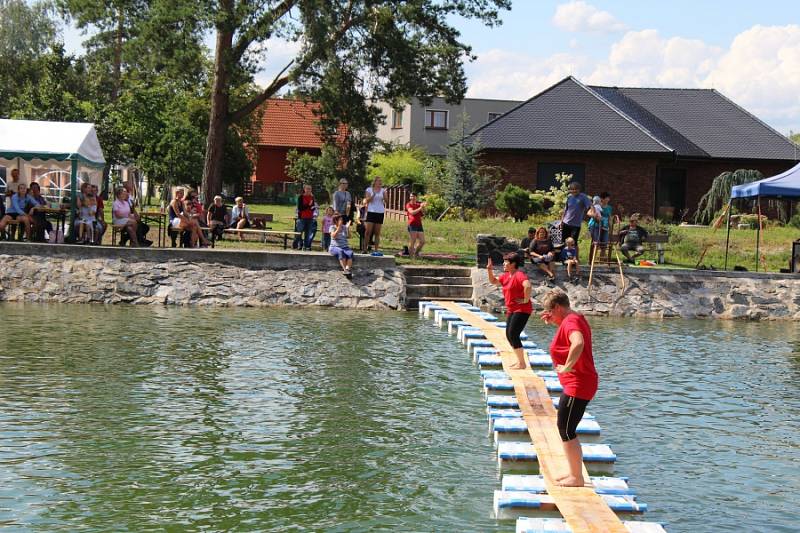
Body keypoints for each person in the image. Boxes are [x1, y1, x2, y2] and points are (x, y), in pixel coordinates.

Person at [540, 290, 598, 488]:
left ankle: (577, 477)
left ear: (557, 307)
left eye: (550, 311)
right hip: (578, 383)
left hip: (578, 384)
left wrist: (567, 366)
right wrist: (554, 322)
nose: (548, 315)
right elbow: (568, 337)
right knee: (565, 429)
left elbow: (578, 342)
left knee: (566, 429)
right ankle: (573, 473)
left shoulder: (571, 322)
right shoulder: (572, 318)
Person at [486, 253, 532, 370]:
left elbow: (527, 286)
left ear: (513, 264)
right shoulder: (506, 276)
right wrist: (489, 270)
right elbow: (493, 281)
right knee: (509, 335)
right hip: (512, 309)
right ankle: (519, 361)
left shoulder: (519, 275)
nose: (503, 264)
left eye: (506, 262)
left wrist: (525, 299)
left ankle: (522, 363)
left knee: (513, 334)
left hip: (522, 309)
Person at [560, 181, 594, 255]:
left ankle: (576, 258)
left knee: (573, 243)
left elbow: (590, 206)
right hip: (566, 222)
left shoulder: (583, 197)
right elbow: (565, 210)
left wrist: (594, 213)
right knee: (565, 241)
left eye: (576, 189)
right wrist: (561, 221)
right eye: (572, 189)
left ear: (579, 189)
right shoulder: (569, 197)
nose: (574, 191)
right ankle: (565, 257)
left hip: (576, 225)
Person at [363, 177, 385, 253]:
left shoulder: (383, 190)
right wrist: (373, 195)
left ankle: (376, 250)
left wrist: (385, 197)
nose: (380, 183)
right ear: (375, 182)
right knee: (368, 232)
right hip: (371, 212)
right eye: (379, 181)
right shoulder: (369, 189)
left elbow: (387, 201)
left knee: (377, 233)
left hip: (380, 212)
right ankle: (365, 249)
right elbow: (367, 201)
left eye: (381, 181)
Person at [329, 213, 354, 278]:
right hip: (334, 247)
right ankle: (345, 270)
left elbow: (349, 236)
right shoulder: (332, 227)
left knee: (350, 253)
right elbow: (333, 236)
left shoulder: (344, 227)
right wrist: (339, 228)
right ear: (336, 221)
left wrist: (347, 228)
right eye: (340, 220)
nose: (342, 221)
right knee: (340, 251)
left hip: (345, 247)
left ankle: (348, 269)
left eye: (342, 219)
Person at [405, 192, 427, 258]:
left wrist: (423, 207)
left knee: (422, 241)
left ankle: (416, 253)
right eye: (411, 196)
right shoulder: (408, 204)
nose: (412, 198)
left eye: (414, 196)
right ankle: (411, 257)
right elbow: (412, 212)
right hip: (412, 224)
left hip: (419, 225)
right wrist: (420, 207)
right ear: (409, 197)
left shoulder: (418, 205)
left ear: (416, 197)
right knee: (413, 241)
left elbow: (424, 213)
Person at [296, 184, 316, 250]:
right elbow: (300, 208)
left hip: (310, 217)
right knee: (299, 232)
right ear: (304, 189)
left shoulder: (312, 197)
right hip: (302, 217)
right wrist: (308, 205)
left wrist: (313, 208)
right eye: (307, 189)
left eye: (310, 189)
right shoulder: (300, 197)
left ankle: (306, 246)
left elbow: (312, 206)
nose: (308, 190)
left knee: (308, 233)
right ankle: (300, 243)